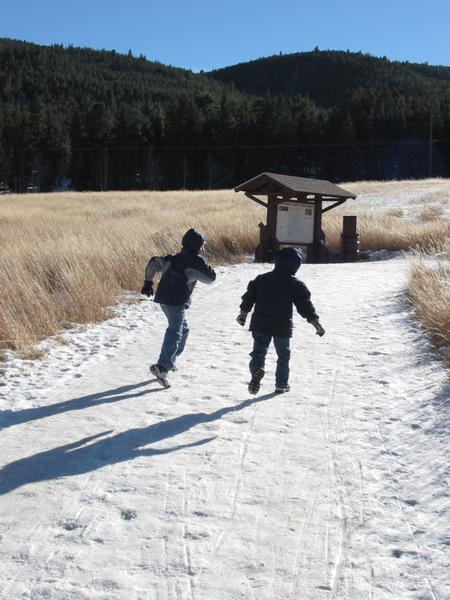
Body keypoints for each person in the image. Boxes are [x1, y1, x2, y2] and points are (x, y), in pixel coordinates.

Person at [236, 246, 325, 394]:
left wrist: (243, 314)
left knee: (258, 352)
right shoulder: (296, 285)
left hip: (260, 323)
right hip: (281, 326)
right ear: (295, 265)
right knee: (283, 355)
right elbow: (305, 306)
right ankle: (281, 384)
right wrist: (315, 322)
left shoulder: (261, 279)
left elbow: (249, 297)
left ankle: (257, 370)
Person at [141, 228, 216, 388]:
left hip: (163, 299)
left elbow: (154, 262)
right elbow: (211, 278)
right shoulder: (195, 261)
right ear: (197, 247)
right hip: (176, 302)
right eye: (202, 246)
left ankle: (170, 360)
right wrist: (202, 260)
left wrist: (148, 281)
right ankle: (162, 367)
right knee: (175, 331)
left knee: (184, 330)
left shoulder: (172, 258)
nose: (203, 249)